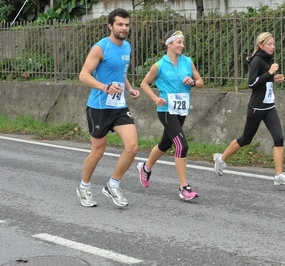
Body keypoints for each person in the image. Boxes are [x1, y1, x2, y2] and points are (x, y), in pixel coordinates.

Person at [76, 8, 140, 208]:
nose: (124, 28)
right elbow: (84, 75)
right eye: (120, 24)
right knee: (98, 151)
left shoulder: (127, 47)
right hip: (99, 106)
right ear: (110, 26)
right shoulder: (100, 48)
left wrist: (129, 89)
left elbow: (120, 73)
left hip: (119, 105)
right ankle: (84, 187)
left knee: (132, 147)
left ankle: (113, 184)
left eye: (127, 24)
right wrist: (104, 87)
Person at [213, 32, 285, 186]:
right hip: (257, 107)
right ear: (261, 45)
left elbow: (262, 80)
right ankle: (221, 159)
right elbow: (252, 83)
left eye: (273, 44)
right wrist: (270, 73)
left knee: (279, 138)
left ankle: (278, 175)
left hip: (269, 106)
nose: (273, 47)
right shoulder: (257, 60)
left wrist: (274, 78)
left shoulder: (266, 60)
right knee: (246, 139)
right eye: (269, 44)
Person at [137, 30, 204, 200]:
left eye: (183, 42)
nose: (182, 45)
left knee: (165, 144)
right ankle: (184, 188)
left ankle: (145, 168)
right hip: (166, 110)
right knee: (182, 145)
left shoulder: (188, 62)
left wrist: (193, 82)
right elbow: (144, 84)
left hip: (181, 110)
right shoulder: (159, 65)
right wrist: (155, 98)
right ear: (169, 44)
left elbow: (201, 82)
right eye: (179, 42)